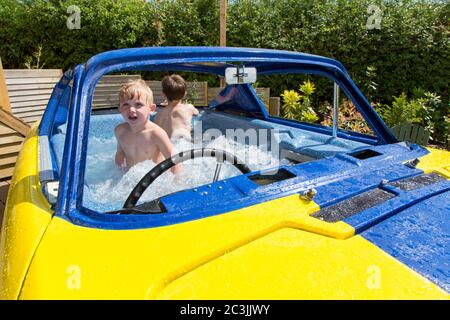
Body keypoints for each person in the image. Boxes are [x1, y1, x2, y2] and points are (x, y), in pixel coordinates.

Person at [114, 79, 180, 174]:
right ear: (120, 108)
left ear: (151, 109)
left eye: (138, 104)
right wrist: (119, 169)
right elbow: (120, 152)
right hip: (131, 176)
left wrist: (176, 183)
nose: (131, 109)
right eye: (125, 104)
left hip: (154, 179)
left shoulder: (156, 134)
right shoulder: (120, 131)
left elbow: (174, 161)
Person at [154, 74, 199, 140]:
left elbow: (155, 133)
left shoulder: (159, 115)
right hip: (185, 145)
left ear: (163, 93)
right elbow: (197, 113)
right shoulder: (189, 108)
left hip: (168, 145)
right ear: (184, 94)